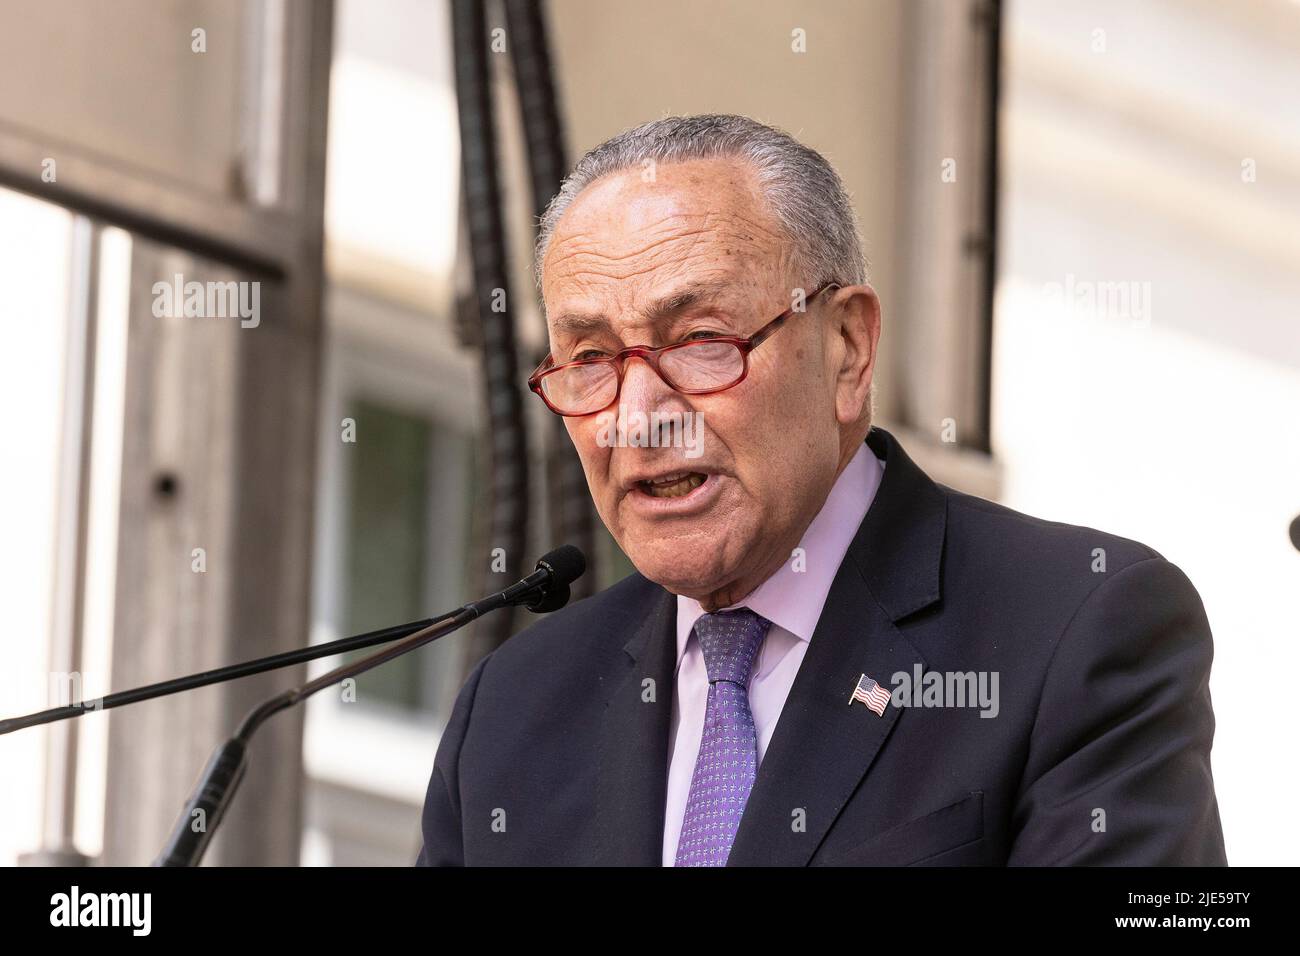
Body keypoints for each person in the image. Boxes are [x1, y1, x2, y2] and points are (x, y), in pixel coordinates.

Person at [416, 114, 1226, 866]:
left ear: (846, 347)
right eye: (590, 360)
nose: (637, 418)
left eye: (700, 340)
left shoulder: (1078, 628)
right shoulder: (511, 714)